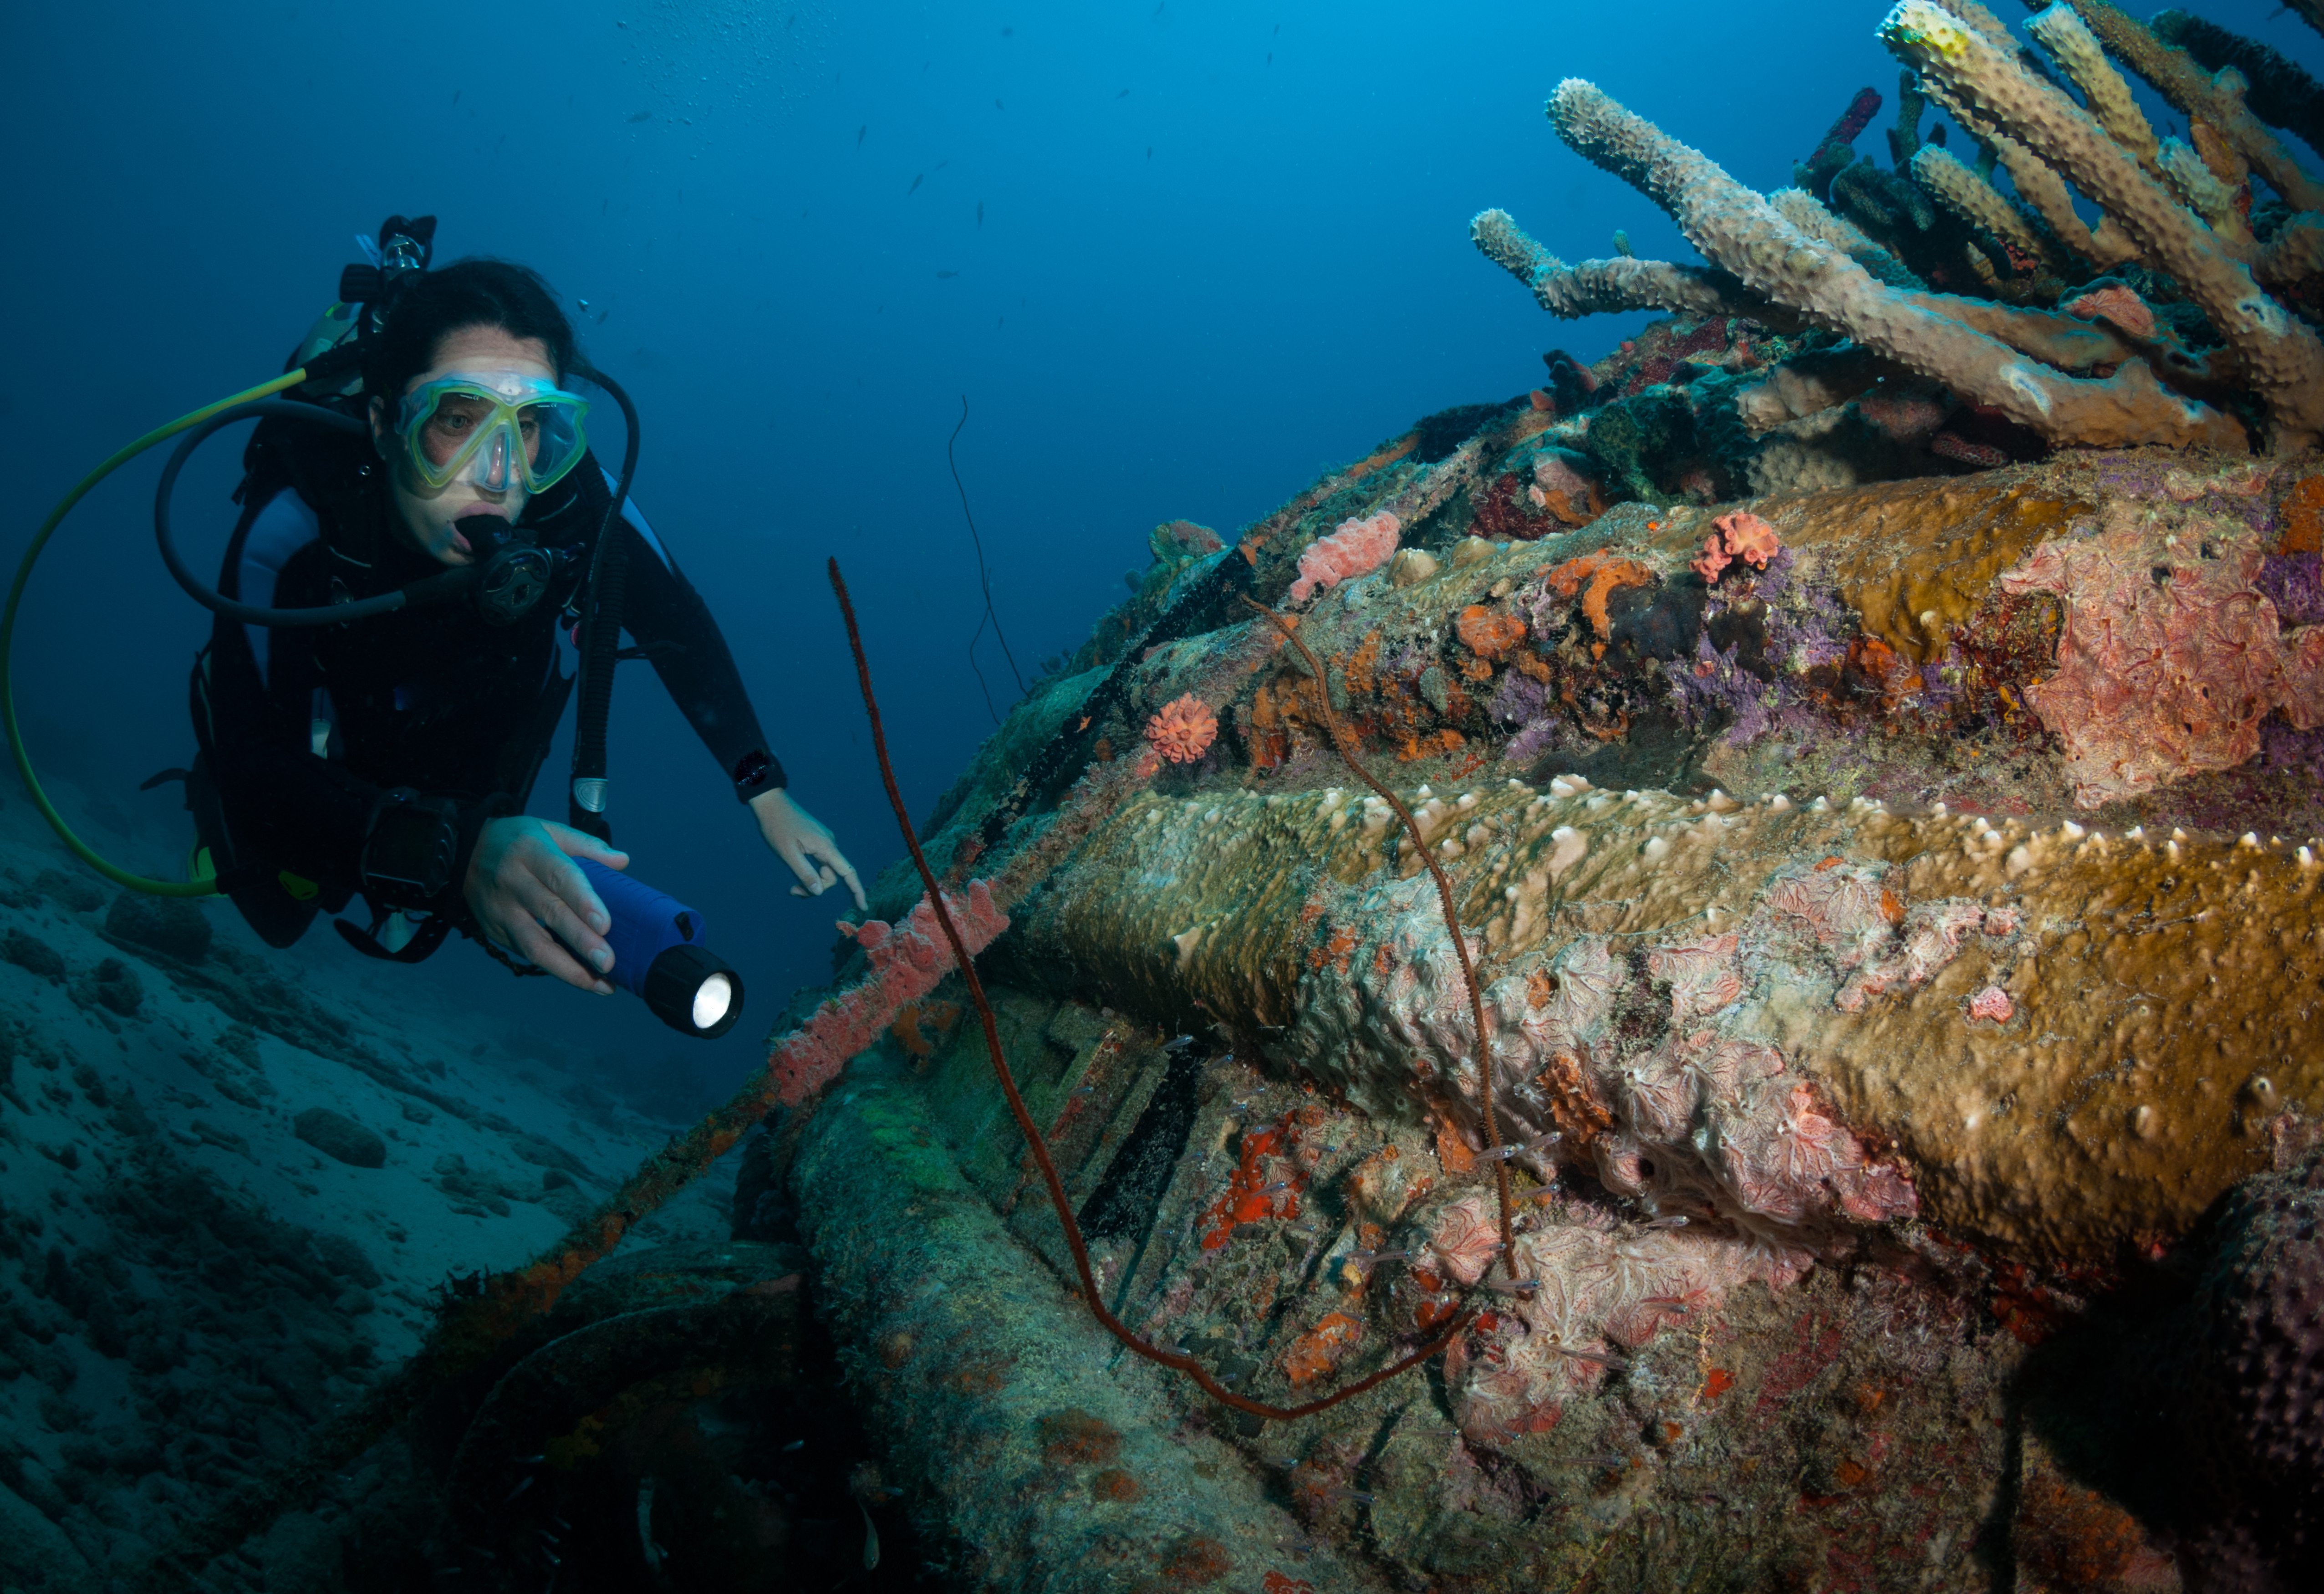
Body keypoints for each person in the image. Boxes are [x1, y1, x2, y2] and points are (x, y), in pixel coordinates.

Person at [192, 256, 863, 993]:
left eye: (532, 426)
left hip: (468, 757)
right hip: (325, 760)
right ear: (386, 423)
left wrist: (763, 787)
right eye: (457, 419)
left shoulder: (571, 498)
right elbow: (252, 765)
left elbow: (677, 619)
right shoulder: (295, 522)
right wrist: (456, 853)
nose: (502, 474)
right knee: (277, 906)